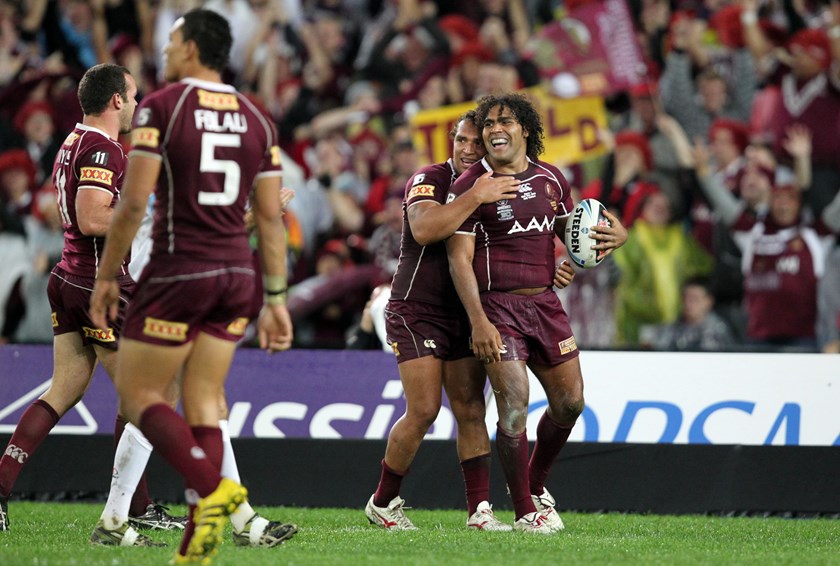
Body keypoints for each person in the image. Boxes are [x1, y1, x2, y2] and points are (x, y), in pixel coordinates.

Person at [89, 9, 293, 564]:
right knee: (204, 399)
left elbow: (132, 203)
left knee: (138, 396)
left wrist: (107, 276)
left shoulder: (162, 106)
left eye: (173, 40)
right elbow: (271, 218)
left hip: (179, 271)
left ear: (194, 48)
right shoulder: (259, 117)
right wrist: (275, 300)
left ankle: (219, 493)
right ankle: (197, 542)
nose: (166, 48)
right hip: (238, 277)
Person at [0, 63, 181, 541]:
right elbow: (92, 216)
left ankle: (0, 488)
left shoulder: (73, 141)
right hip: (97, 284)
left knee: (64, 391)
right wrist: (146, 208)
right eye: (134, 97)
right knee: (146, 397)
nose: (138, 106)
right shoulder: (102, 147)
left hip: (69, 277)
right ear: (116, 100)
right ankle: (123, 515)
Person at [446, 93, 627, 533]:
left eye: (504, 121)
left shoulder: (552, 179)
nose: (494, 130)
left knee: (571, 403)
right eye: (488, 124)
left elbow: (567, 228)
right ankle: (527, 512)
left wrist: (611, 234)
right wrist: (479, 321)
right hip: (496, 308)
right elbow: (458, 260)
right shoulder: (471, 184)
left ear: (525, 128)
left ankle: (534, 483)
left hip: (545, 304)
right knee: (513, 406)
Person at [364, 110, 525, 531]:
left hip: (466, 312)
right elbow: (423, 229)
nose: (469, 149)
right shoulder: (432, 178)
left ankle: (479, 513)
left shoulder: (498, 184)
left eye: (477, 143)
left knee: (471, 410)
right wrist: (475, 196)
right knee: (423, 409)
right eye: (461, 141)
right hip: (416, 308)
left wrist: (554, 269)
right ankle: (383, 501)